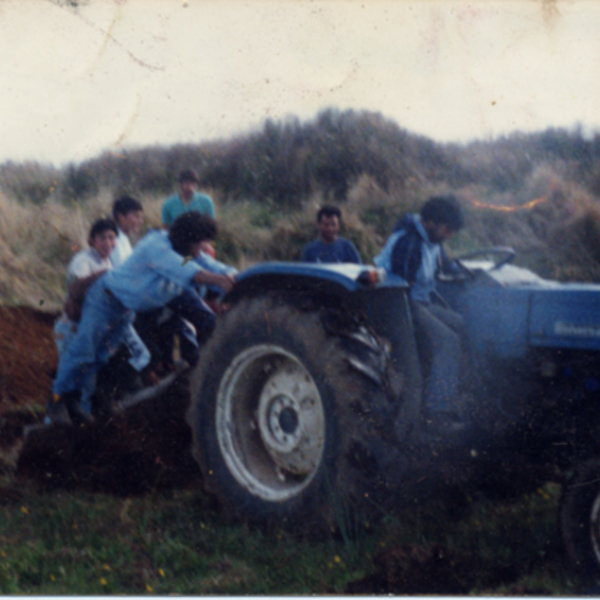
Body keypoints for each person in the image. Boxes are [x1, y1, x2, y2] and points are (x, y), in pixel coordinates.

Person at [46, 212, 236, 426]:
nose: (202, 249)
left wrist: (238, 277)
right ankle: (57, 404)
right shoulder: (156, 246)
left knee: (103, 355)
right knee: (84, 350)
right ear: (189, 239)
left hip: (125, 308)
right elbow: (188, 269)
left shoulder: (185, 252)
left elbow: (209, 265)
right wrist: (219, 280)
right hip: (105, 300)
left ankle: (89, 402)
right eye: (200, 243)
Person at [373, 195, 467, 431]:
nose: (449, 235)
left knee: (463, 324)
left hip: (420, 300)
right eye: (448, 229)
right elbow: (402, 289)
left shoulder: (432, 241)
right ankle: (438, 412)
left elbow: (446, 265)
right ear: (432, 223)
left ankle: (457, 394)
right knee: (448, 341)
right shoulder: (409, 242)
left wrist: (465, 272)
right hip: (399, 302)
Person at [52, 218, 118, 417]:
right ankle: (53, 429)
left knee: (85, 385)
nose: (107, 243)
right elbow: (75, 290)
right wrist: (101, 276)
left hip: (89, 331)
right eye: (102, 238)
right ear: (92, 241)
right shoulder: (83, 261)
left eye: (111, 238)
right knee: (74, 383)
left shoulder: (108, 262)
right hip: (71, 329)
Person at [111, 195, 144, 268]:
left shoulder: (124, 238)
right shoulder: (115, 241)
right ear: (121, 217)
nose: (141, 221)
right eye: (136, 216)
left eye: (141, 217)